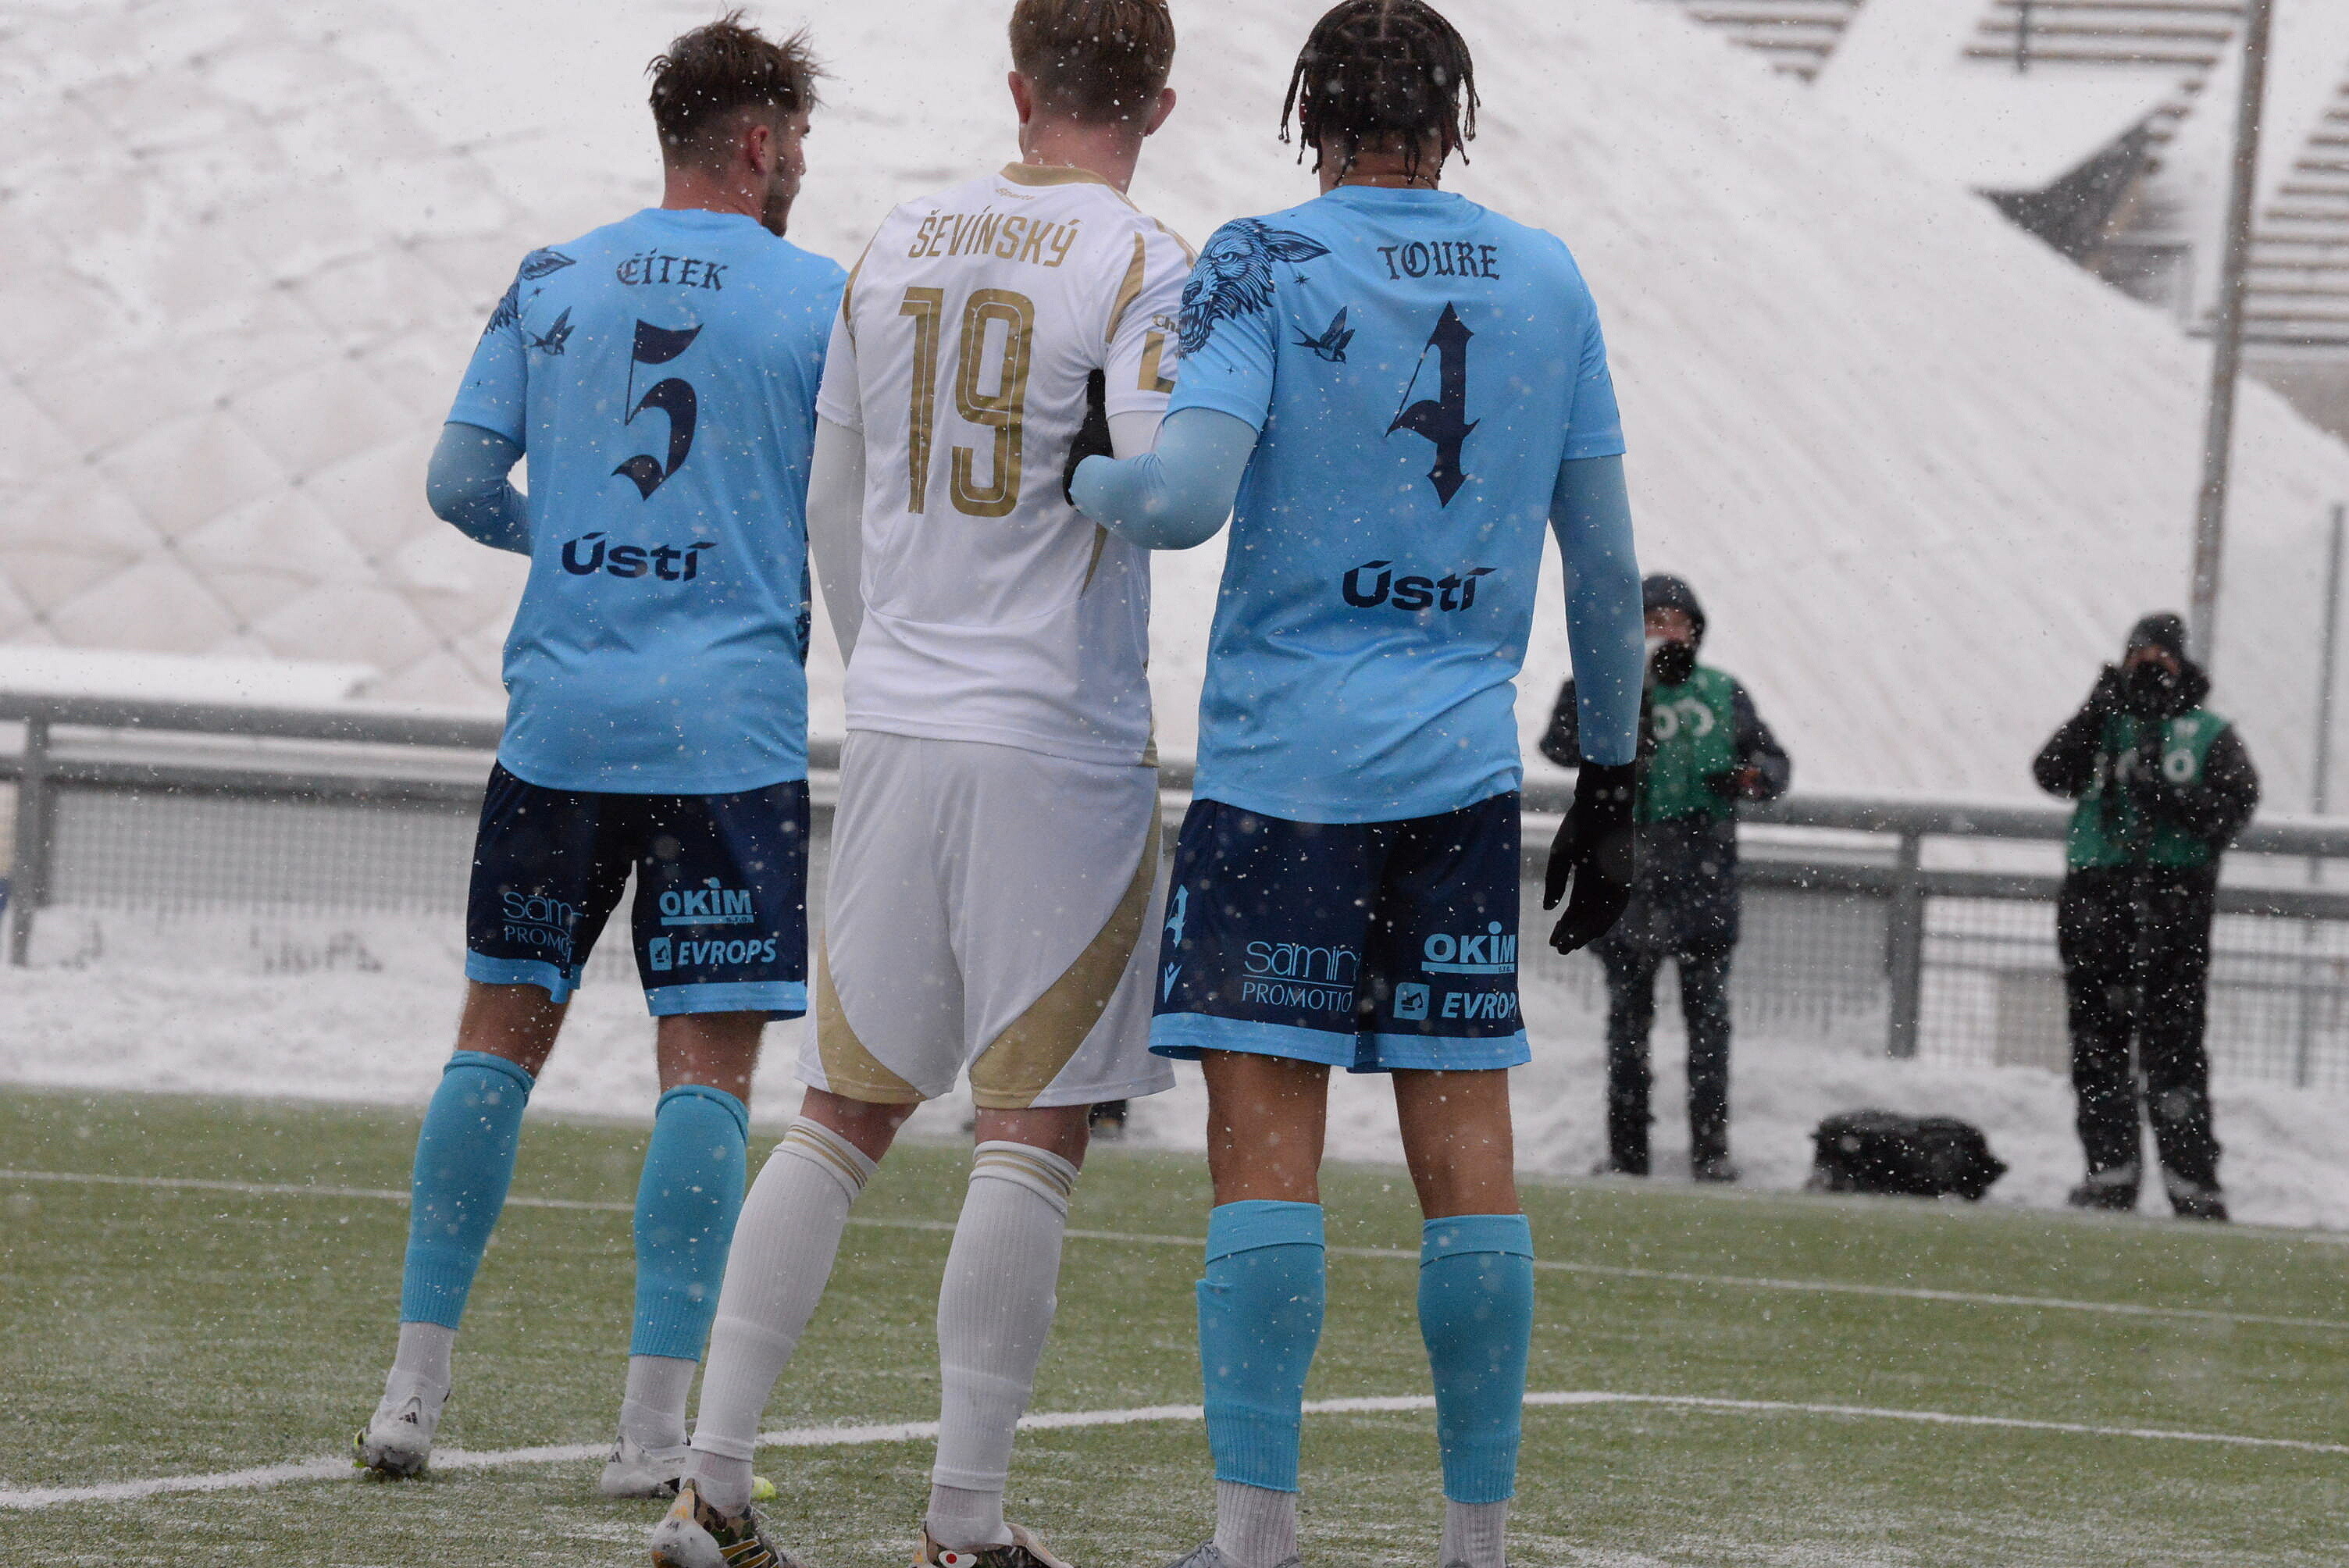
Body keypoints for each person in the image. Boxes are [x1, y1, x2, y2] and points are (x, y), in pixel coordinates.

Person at [1071, 4, 1645, 1566]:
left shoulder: (1260, 259)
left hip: (1285, 774)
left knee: (1267, 1154)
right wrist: (1610, 768)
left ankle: (1256, 1532)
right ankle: (1475, 1540)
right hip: (1455, 781)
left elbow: (1180, 503)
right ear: (1451, 125)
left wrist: (1085, 472)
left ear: (1307, 119)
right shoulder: (1545, 276)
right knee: (1467, 1158)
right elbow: (1604, 567)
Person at [650, 5, 1189, 1566]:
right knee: (1030, 1124)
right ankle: (961, 1515)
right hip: (1052, 734)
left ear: (1017, 84)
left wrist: (883, 664)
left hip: (896, 714)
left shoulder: (891, 241)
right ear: (1158, 102)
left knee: (839, 1108)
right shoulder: (1144, 257)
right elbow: (1159, 490)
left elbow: (833, 492)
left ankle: (711, 1476)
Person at [351, 16, 843, 1496]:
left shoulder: (553, 275)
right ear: (756, 141)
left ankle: (410, 1391)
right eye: (796, 143)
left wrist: (569, 538)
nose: (800, 167)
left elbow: (456, 479)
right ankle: (649, 1429)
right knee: (705, 1071)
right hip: (727, 732)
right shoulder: (825, 297)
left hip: (563, 721)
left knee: (495, 1040)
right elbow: (860, 514)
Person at [1540, 573, 1789, 1182]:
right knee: (1627, 1030)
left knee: (1710, 1029)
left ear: (1697, 633)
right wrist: (1615, 693)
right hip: (1624, 881)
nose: (1667, 634)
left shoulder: (1722, 693)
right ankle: (1627, 1157)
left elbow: (1774, 764)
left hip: (1704, 883)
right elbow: (1559, 745)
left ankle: (1711, 1154)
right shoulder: (1603, 684)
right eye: (1654, 621)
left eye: (1678, 623)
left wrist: (1751, 777)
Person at [2034, 612, 2258, 1221]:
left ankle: (2191, 1179)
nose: (2150, 671)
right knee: (2097, 1042)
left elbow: (2234, 809)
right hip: (2098, 896)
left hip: (2173, 900)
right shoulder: (2103, 724)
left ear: (2182, 665)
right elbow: (2050, 773)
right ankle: (2111, 1171)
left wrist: (2170, 796)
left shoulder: (2206, 732)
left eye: (2162, 659)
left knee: (2174, 1045)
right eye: (2140, 659)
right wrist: (2095, 709)